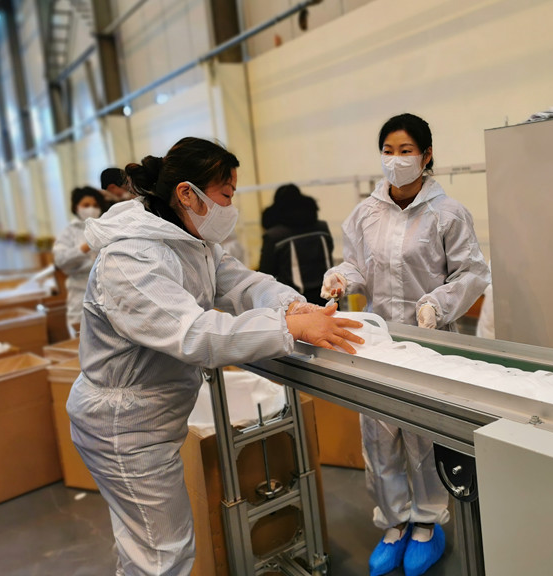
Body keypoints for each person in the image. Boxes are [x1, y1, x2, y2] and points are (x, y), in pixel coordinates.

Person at [66, 137, 364, 575]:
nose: (231, 206)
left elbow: (243, 283)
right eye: (225, 194)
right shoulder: (132, 257)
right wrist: (287, 328)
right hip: (123, 426)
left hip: (151, 417)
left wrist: (291, 305)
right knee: (162, 555)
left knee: (146, 546)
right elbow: (196, 336)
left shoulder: (190, 240)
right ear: (187, 194)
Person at [321, 114, 490, 576]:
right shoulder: (366, 214)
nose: (396, 160)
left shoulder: (447, 213)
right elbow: (358, 266)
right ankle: (394, 523)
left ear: (426, 155)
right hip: (378, 343)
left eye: (406, 151)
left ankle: (427, 524)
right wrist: (340, 277)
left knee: (423, 436)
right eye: (388, 151)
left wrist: (438, 303)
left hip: (430, 343)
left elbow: (472, 273)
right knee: (379, 437)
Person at [259, 184, 334, 305]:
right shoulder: (322, 228)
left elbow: (266, 272)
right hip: (328, 297)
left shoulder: (274, 236)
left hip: (296, 303)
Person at [52, 186, 106, 338]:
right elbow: (60, 260)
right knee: (81, 337)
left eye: (95, 205)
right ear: (76, 207)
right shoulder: (69, 232)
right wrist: (84, 247)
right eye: (86, 205)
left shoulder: (104, 228)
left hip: (105, 291)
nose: (91, 209)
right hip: (80, 292)